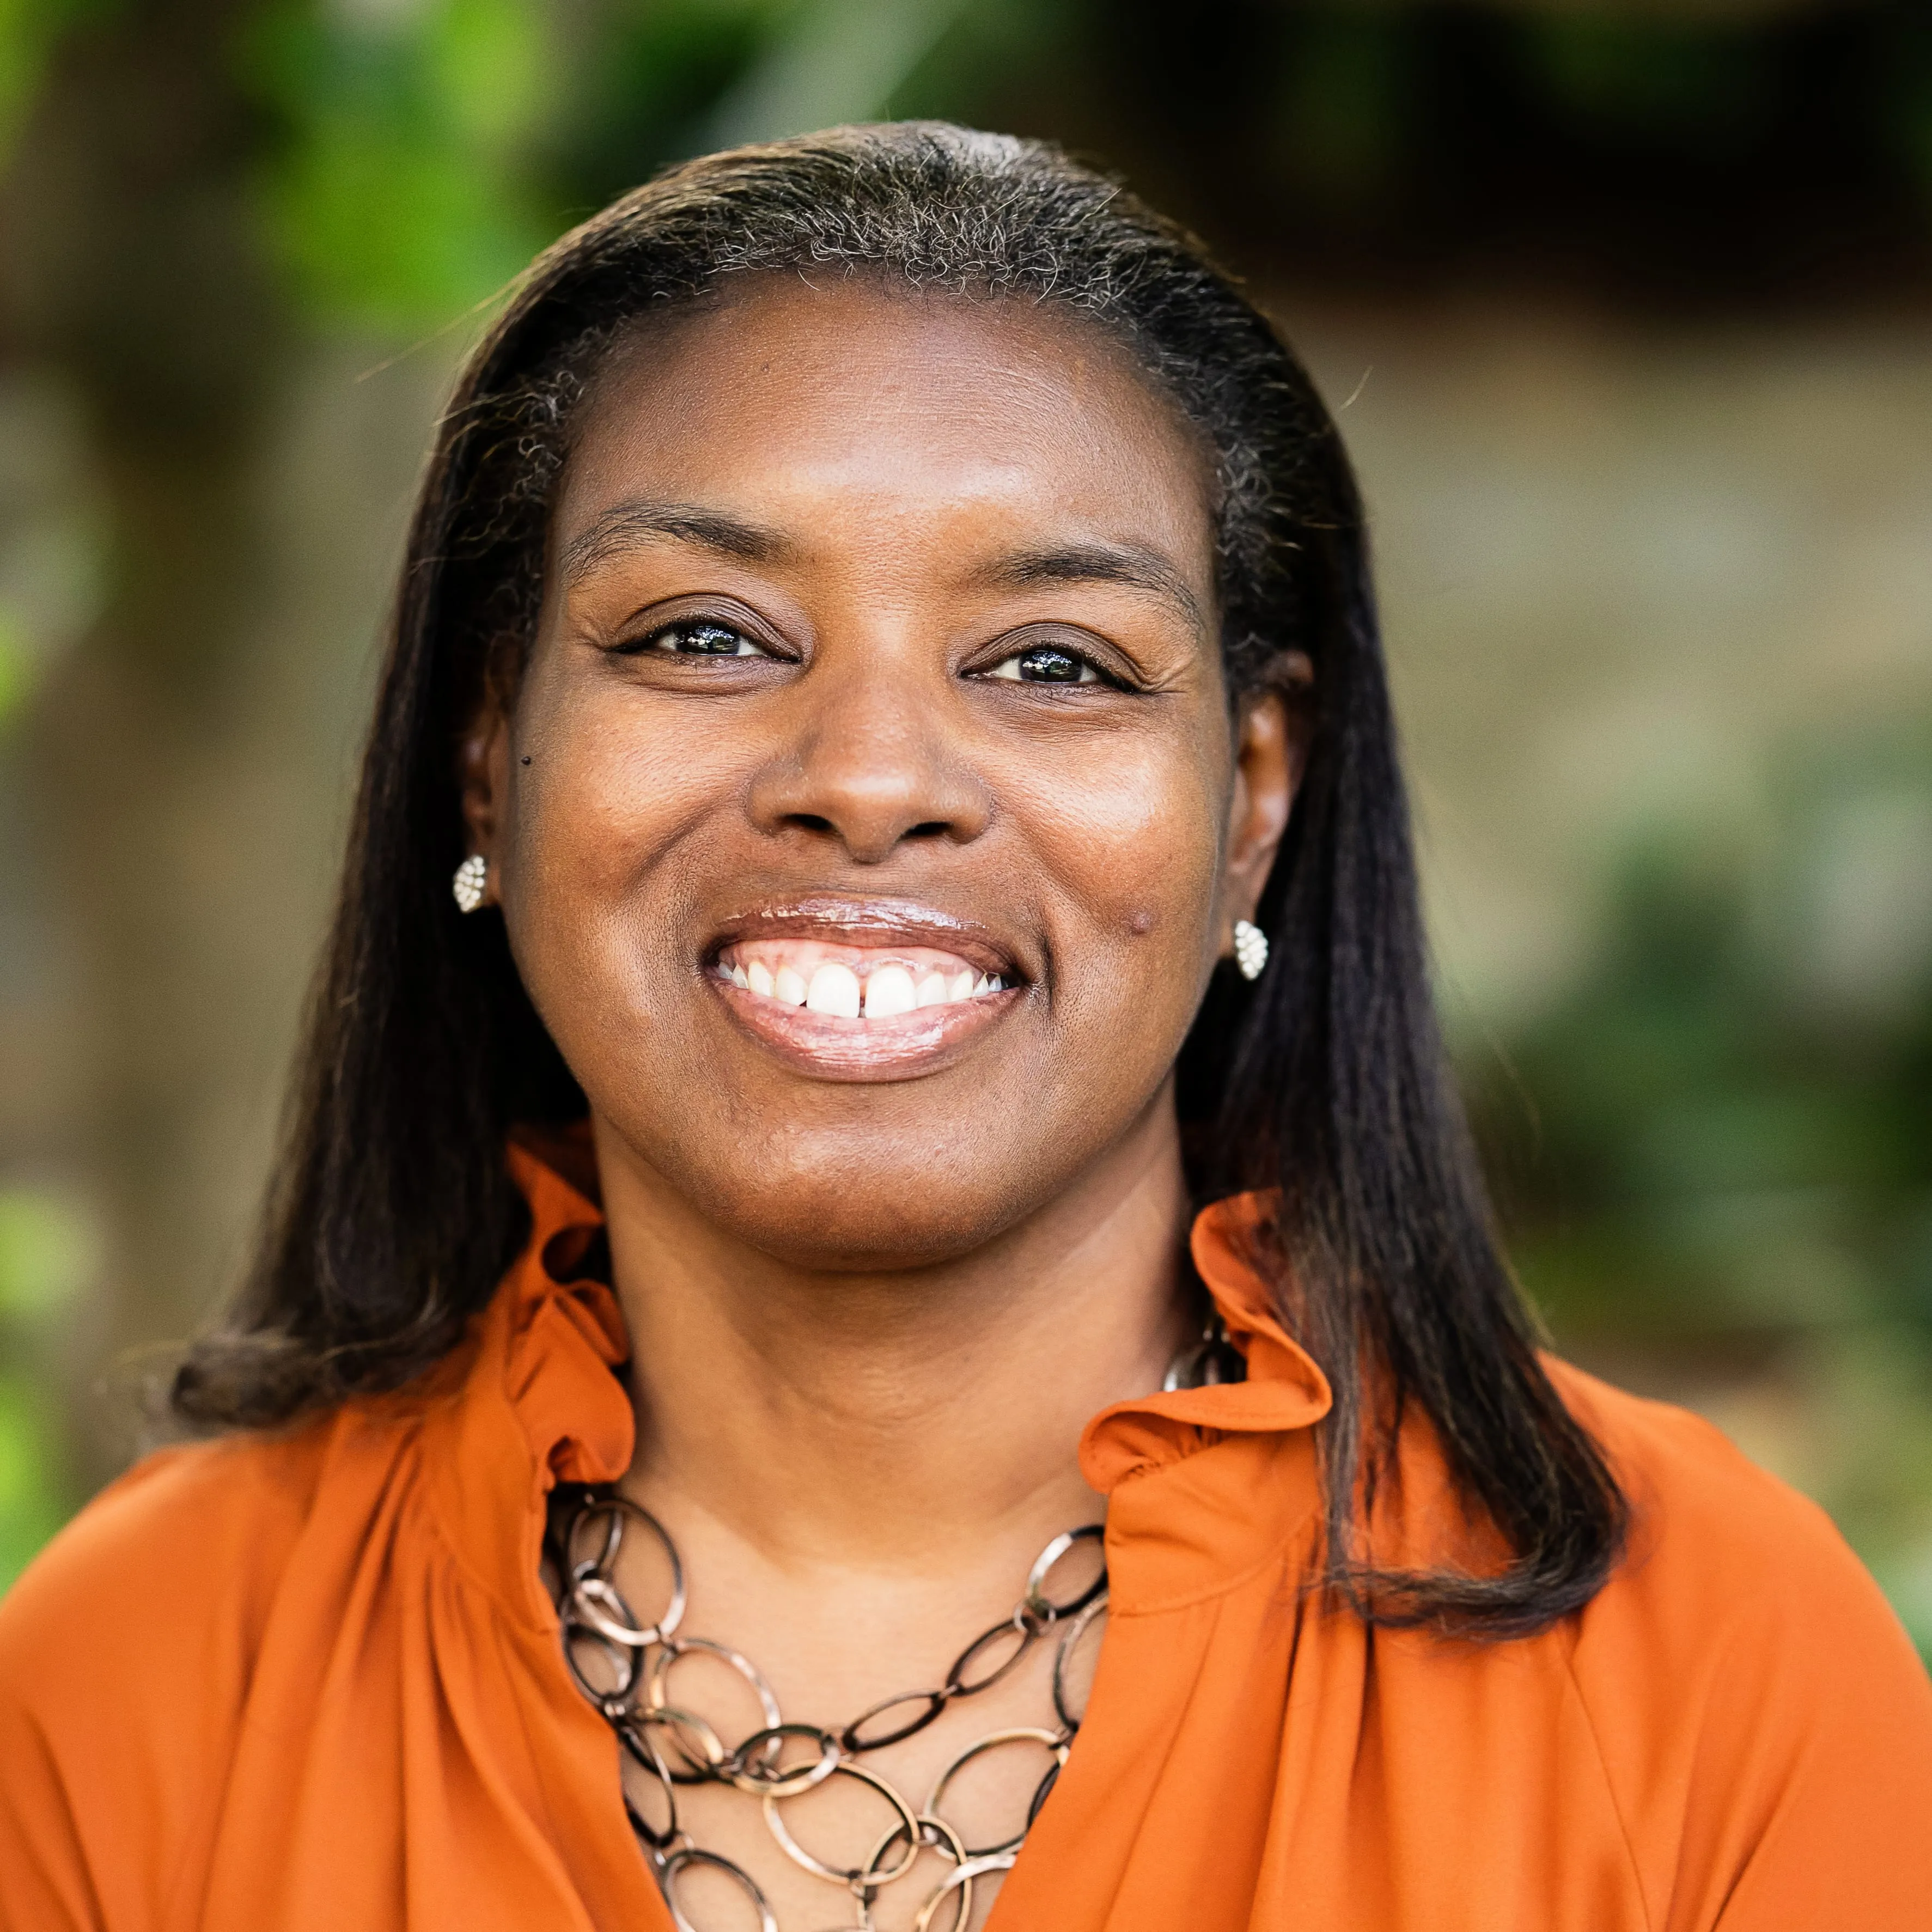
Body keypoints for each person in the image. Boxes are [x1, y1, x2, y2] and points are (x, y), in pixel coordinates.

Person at [1, 121, 1927, 1932]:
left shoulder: (1702, 1666)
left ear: (1252, 796)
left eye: (1051, 663)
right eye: (705, 634)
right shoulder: (139, 1681)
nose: (868, 777)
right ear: (493, 754)